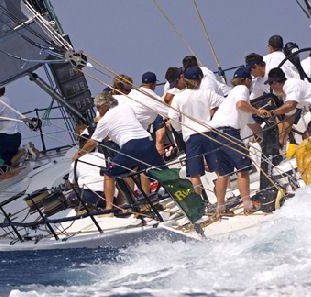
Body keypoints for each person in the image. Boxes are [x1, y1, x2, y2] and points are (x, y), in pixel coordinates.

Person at [73, 93, 165, 215]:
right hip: (147, 141)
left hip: (130, 147)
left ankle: (109, 209)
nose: (97, 110)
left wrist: (79, 154)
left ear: (105, 105)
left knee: (109, 174)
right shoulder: (125, 108)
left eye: (98, 107)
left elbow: (92, 142)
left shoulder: (104, 121)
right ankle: (185, 194)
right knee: (161, 171)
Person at [210, 66, 270, 217]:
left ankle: (221, 208)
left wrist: (265, 139)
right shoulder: (241, 89)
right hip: (228, 133)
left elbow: (252, 124)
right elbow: (241, 105)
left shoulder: (230, 97)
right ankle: (247, 205)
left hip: (214, 134)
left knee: (224, 173)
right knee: (243, 168)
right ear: (247, 80)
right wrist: (258, 111)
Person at [168, 66, 224, 196]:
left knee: (194, 172)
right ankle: (225, 194)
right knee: (218, 167)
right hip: (208, 132)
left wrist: (178, 129)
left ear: (185, 79)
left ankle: (200, 200)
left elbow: (172, 117)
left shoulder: (178, 97)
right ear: (200, 79)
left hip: (191, 136)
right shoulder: (207, 93)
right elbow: (225, 103)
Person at [111, 72, 168, 195]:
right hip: (133, 138)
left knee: (128, 172)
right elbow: (167, 113)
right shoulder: (132, 98)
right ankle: (144, 198)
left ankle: (133, 202)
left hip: (118, 138)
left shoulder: (115, 100)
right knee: (141, 168)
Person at [265, 67, 311, 146]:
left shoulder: (291, 84)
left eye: (270, 84)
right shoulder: (286, 95)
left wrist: (272, 113)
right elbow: (288, 119)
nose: (271, 87)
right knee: (306, 137)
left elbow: (291, 105)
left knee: (310, 137)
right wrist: (281, 140)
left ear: (276, 82)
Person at [67, 133, 109, 210]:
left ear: (80, 148)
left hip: (89, 197)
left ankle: (86, 209)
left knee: (71, 198)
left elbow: (71, 183)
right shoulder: (105, 157)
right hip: (110, 197)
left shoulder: (76, 162)